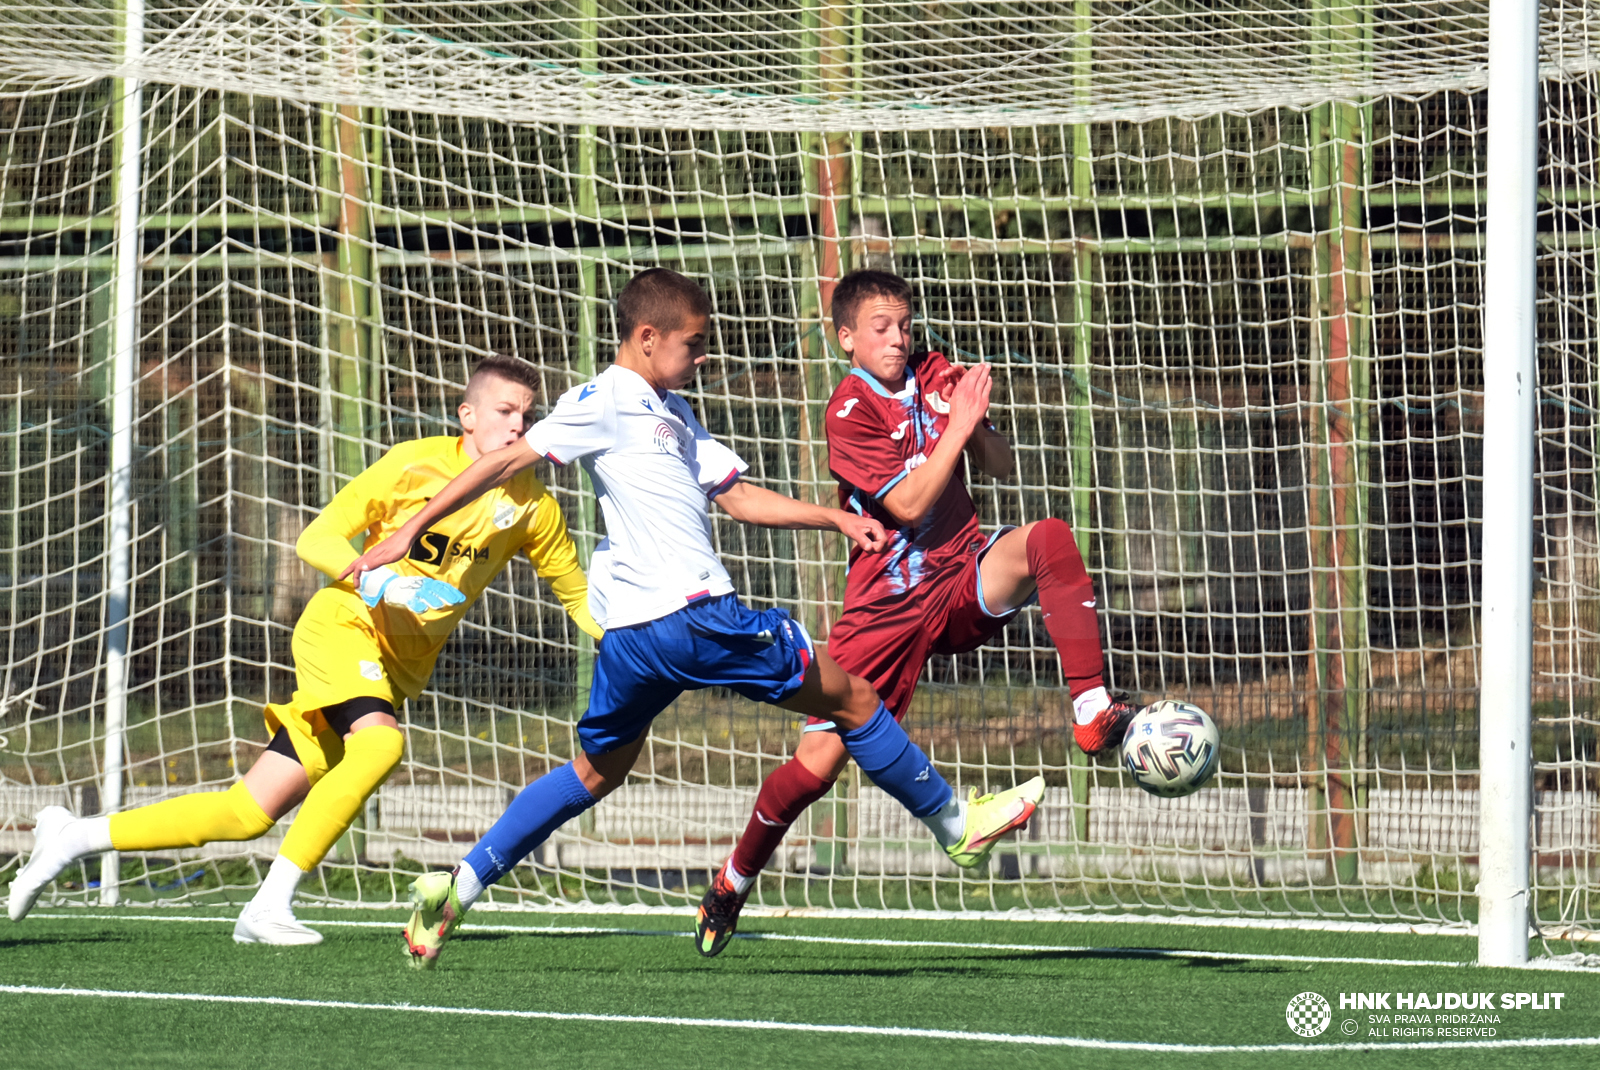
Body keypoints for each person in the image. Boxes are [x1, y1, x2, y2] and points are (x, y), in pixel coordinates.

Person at [337, 268, 1045, 969]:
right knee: (855, 698)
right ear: (647, 338)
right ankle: (958, 826)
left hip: (634, 642)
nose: (704, 358)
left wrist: (829, 516)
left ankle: (455, 892)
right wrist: (406, 533)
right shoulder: (605, 399)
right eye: (694, 345)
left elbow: (736, 498)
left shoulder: (673, 411)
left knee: (592, 773)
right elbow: (503, 463)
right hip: (695, 618)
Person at [7, 356, 602, 945]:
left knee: (246, 813)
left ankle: (74, 837)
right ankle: (268, 906)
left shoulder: (533, 506)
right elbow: (315, 536)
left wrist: (631, 639)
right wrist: (378, 578)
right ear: (466, 415)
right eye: (504, 411)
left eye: (527, 414)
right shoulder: (413, 464)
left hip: (395, 669)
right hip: (342, 625)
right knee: (381, 744)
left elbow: (576, 594)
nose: (519, 427)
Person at [693, 269, 1141, 957]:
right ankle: (733, 879)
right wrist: (955, 426)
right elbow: (905, 505)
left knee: (1049, 537)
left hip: (960, 576)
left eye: (904, 325)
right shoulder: (850, 410)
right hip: (885, 610)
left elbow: (1002, 467)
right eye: (880, 328)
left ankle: (1090, 712)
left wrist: (976, 415)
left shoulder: (935, 371)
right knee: (814, 770)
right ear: (847, 338)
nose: (898, 339)